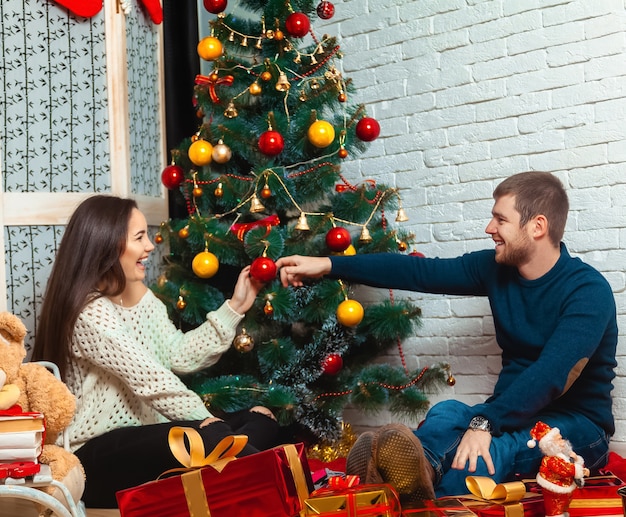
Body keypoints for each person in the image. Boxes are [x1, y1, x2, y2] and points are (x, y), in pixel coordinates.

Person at [276, 171, 618, 500]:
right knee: (448, 412)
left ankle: (402, 480)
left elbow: (550, 375)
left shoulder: (587, 291)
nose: (490, 228)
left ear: (537, 226)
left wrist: (485, 423)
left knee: (497, 450)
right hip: (512, 412)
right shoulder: (496, 269)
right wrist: (328, 265)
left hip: (578, 426)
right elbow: (419, 271)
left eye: (501, 220)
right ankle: (417, 468)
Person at [32, 195, 282, 508]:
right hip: (93, 457)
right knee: (205, 437)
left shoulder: (141, 297)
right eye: (139, 237)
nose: (150, 246)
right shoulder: (89, 311)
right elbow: (149, 379)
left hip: (150, 439)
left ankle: (239, 472)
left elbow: (179, 355)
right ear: (106, 245)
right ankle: (275, 478)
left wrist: (235, 307)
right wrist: (213, 429)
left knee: (263, 417)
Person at [527, 421, 589, 517]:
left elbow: (570, 465)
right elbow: (565, 469)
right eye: (559, 440)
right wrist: (581, 471)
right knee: (555, 509)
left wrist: (576, 459)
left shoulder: (562, 455)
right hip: (554, 489)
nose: (563, 441)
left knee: (563, 506)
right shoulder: (551, 460)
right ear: (551, 445)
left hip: (564, 487)